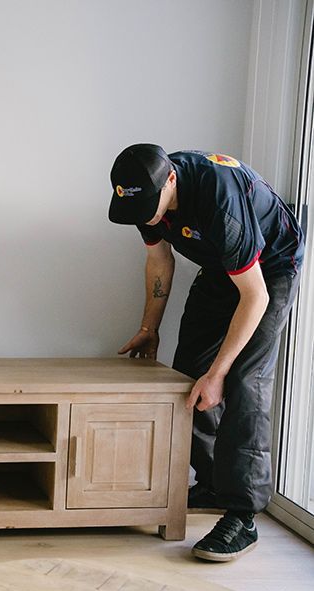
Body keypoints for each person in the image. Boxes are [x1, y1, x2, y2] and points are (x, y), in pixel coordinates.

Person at [108, 144, 305, 562]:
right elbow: (160, 262)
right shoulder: (146, 196)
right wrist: (149, 328)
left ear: (172, 181)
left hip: (268, 270)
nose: (148, 218)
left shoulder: (220, 200)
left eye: (150, 207)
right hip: (222, 268)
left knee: (242, 380)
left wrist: (219, 374)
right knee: (187, 375)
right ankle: (215, 482)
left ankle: (242, 514)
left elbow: (254, 296)